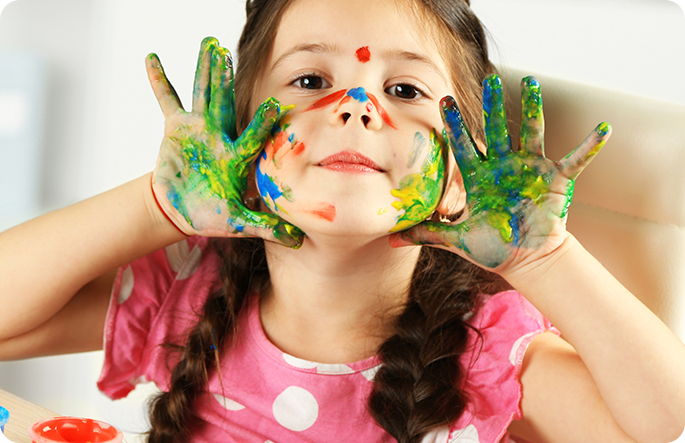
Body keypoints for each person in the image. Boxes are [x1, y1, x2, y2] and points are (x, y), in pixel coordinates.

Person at [1, 0, 684, 442]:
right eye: (308, 80)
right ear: (239, 131)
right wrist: (155, 205)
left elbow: (660, 423)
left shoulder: (482, 352)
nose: (356, 106)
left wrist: (543, 258)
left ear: (460, 171)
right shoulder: (190, 296)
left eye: (404, 89)